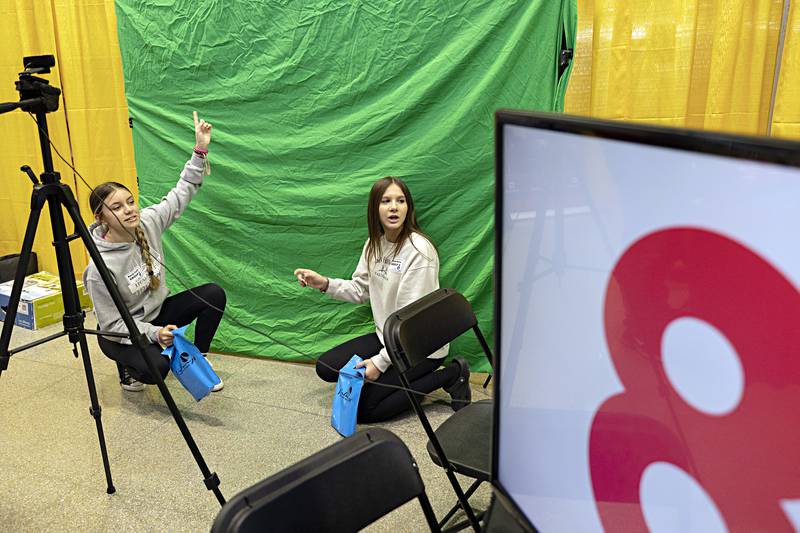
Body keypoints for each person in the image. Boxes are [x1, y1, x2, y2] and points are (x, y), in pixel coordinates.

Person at [294, 176, 471, 423]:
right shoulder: (373, 244)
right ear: (375, 208)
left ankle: (450, 374)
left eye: (400, 201)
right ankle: (404, 385)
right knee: (326, 367)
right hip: (387, 339)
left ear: (408, 208)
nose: (394, 207)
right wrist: (324, 283)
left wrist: (379, 363)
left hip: (420, 347)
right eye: (386, 201)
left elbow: (412, 321)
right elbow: (360, 289)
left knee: (366, 410)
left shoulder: (419, 250)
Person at [83, 112, 226, 393]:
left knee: (213, 295)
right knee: (157, 371)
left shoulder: (147, 221)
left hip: (155, 314)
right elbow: (112, 323)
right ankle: (128, 368)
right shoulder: (99, 268)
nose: (129, 210)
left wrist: (200, 150)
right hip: (120, 333)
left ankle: (198, 358)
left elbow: (182, 192)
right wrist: (154, 334)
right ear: (101, 218)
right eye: (117, 207)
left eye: (130, 201)